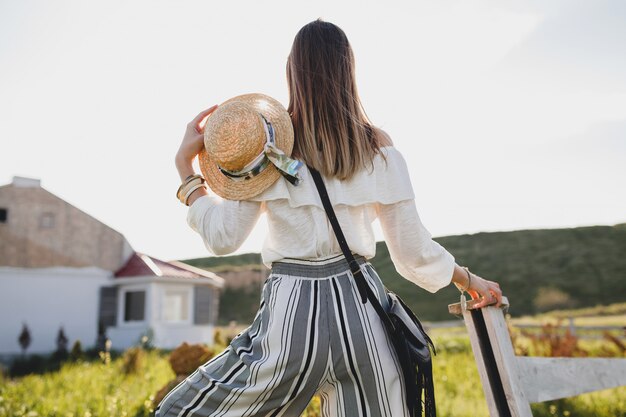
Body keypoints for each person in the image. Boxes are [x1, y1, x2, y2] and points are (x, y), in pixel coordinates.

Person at [157, 18, 502, 417]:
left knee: (183, 411)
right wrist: (468, 279)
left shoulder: (267, 155)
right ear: (348, 70)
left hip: (290, 324)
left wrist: (187, 172)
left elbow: (222, 239)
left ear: (291, 73)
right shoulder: (380, 152)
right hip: (364, 317)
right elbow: (413, 253)